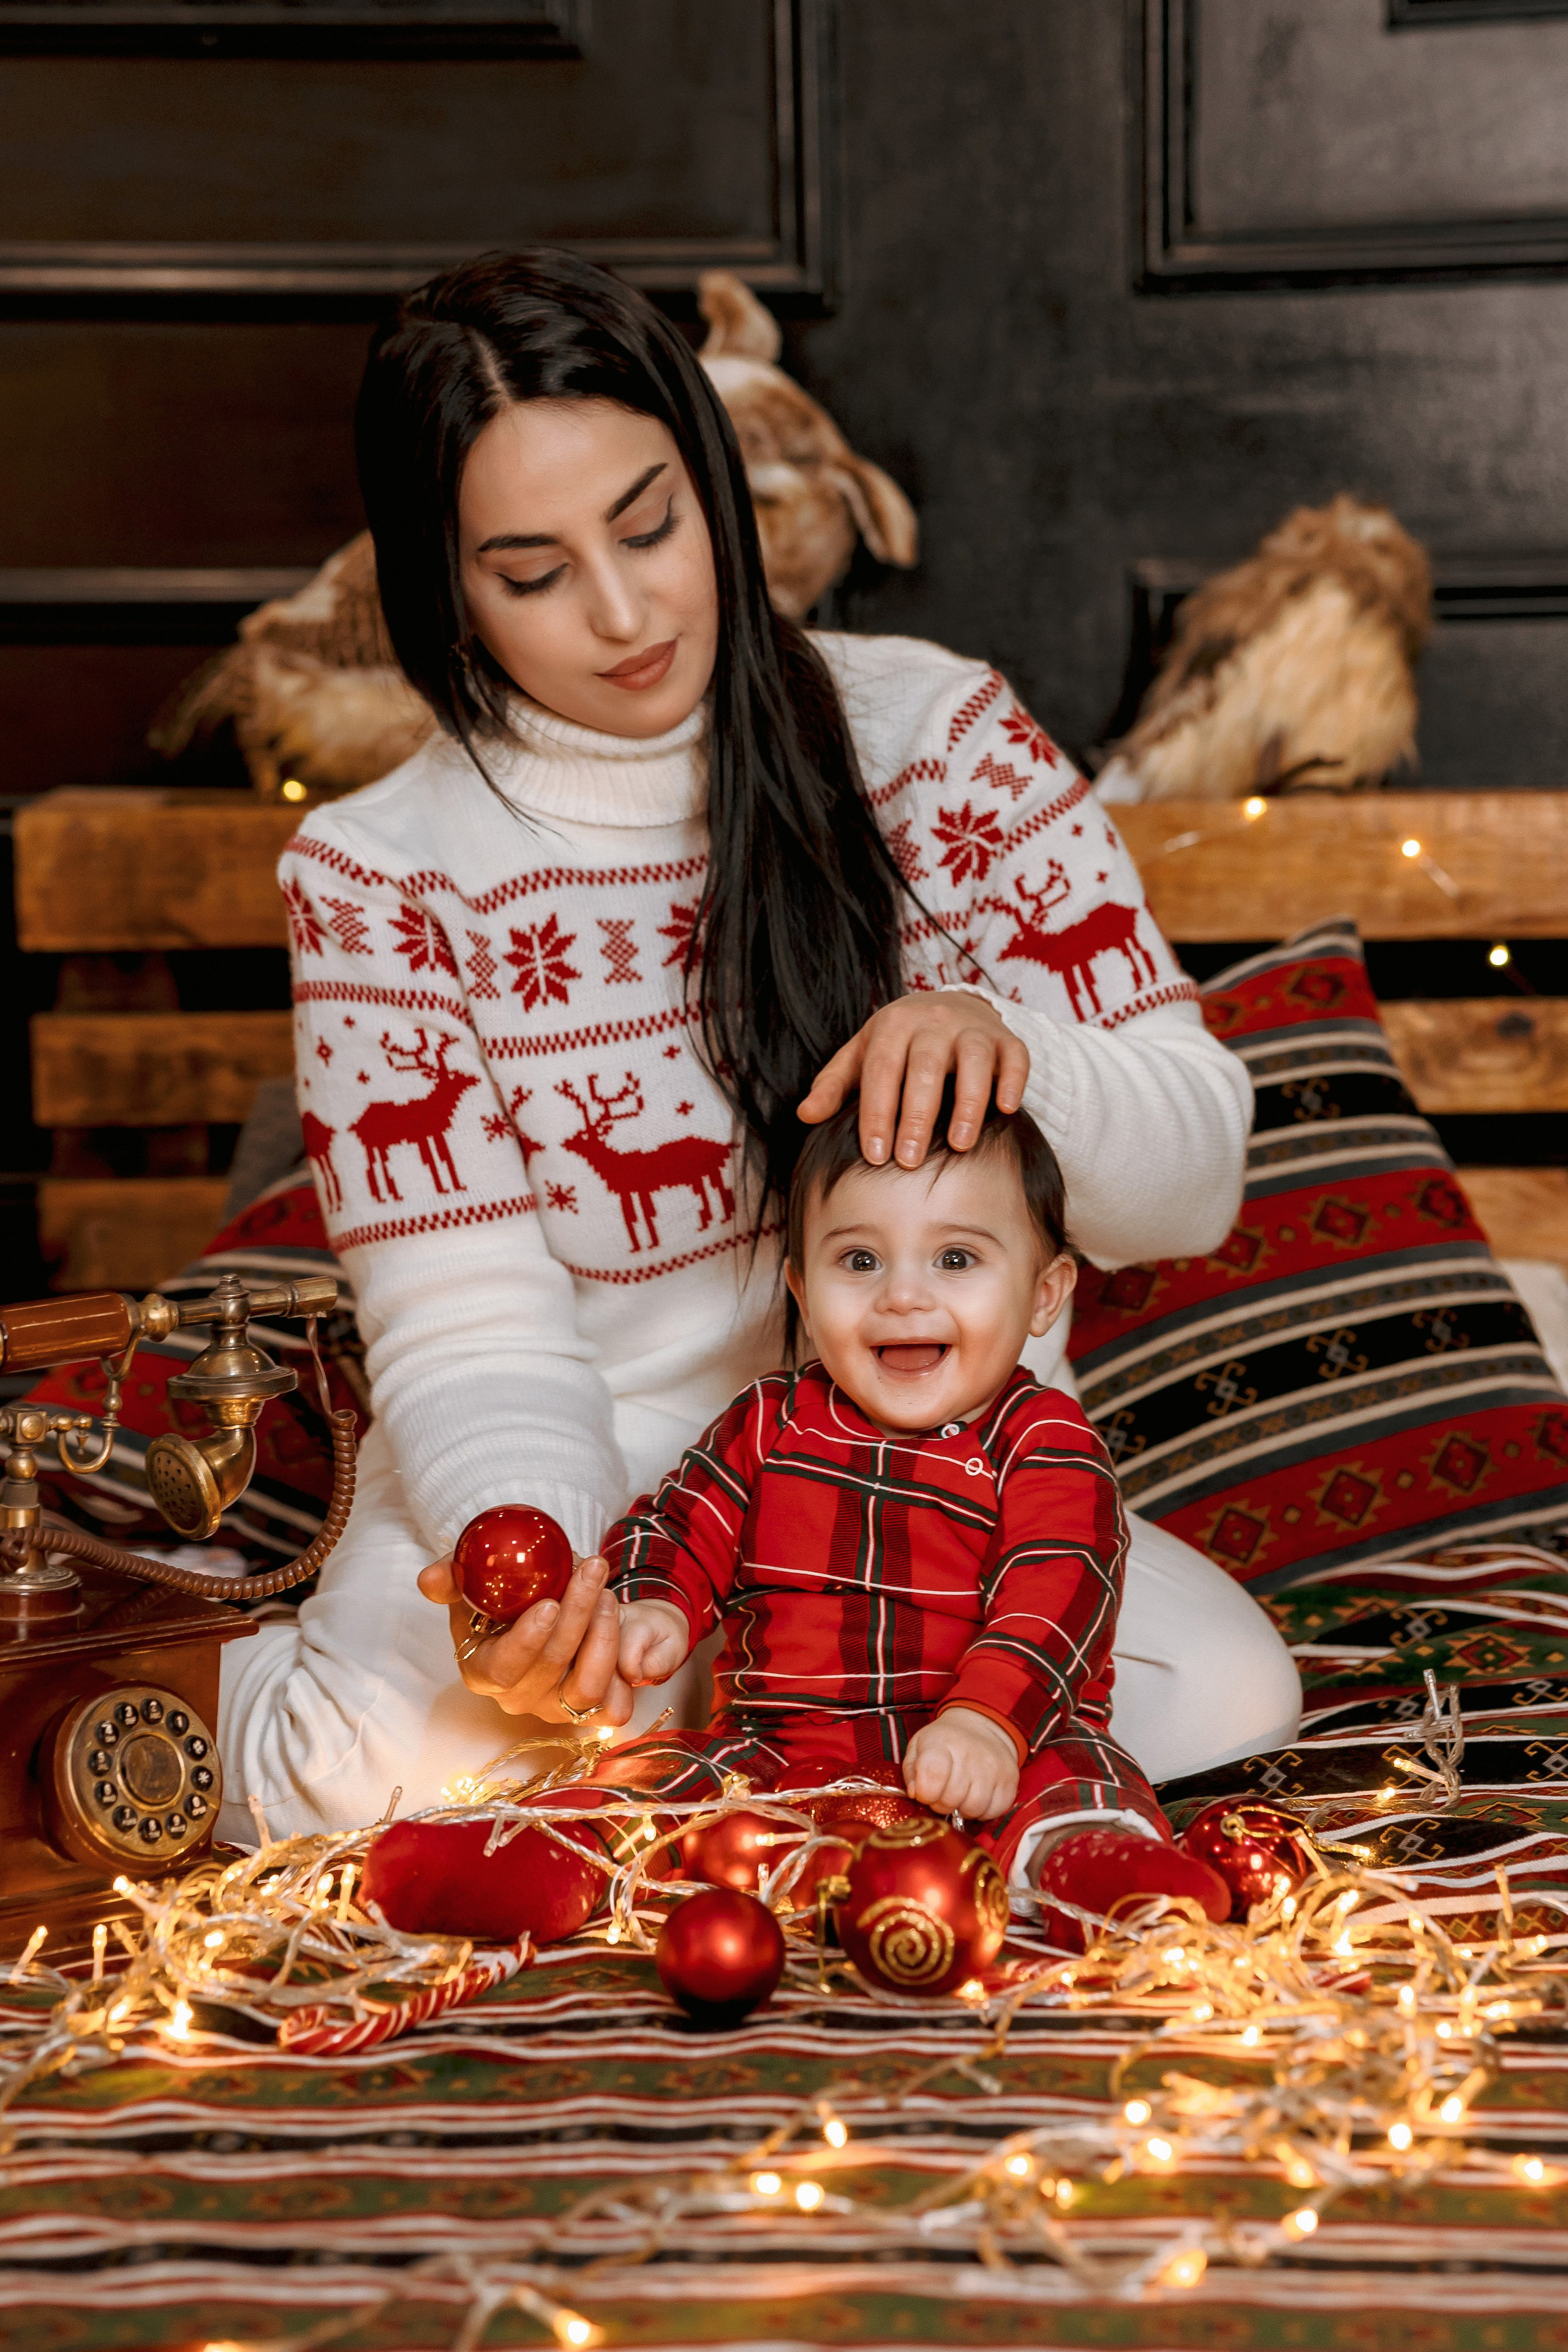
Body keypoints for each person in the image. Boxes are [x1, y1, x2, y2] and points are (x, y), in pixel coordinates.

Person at [219, 247, 1300, 1847]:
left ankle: (746, 1748)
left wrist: (1020, 1054)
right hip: (611, 1499)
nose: (624, 608)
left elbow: (1196, 1180)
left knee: (1228, 1698)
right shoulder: (381, 873)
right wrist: (550, 1573)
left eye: (651, 524)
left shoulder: (942, 741)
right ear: (443, 588)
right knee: (367, 1781)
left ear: (712, 480)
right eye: (532, 570)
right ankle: (215, 1677)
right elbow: (466, 1321)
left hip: (938, 1499)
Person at [595, 1087, 1232, 1930]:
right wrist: (655, 1599)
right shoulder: (767, 1422)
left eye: (956, 1260)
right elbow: (679, 1521)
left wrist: (988, 1722)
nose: (902, 1296)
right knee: (661, 1796)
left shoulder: (1039, 1437)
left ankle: (1099, 1873)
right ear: (800, 1287)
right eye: (859, 1261)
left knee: (1071, 1785)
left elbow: (1058, 1595)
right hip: (787, 1747)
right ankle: (543, 1861)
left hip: (999, 1742)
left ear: (1045, 1294)